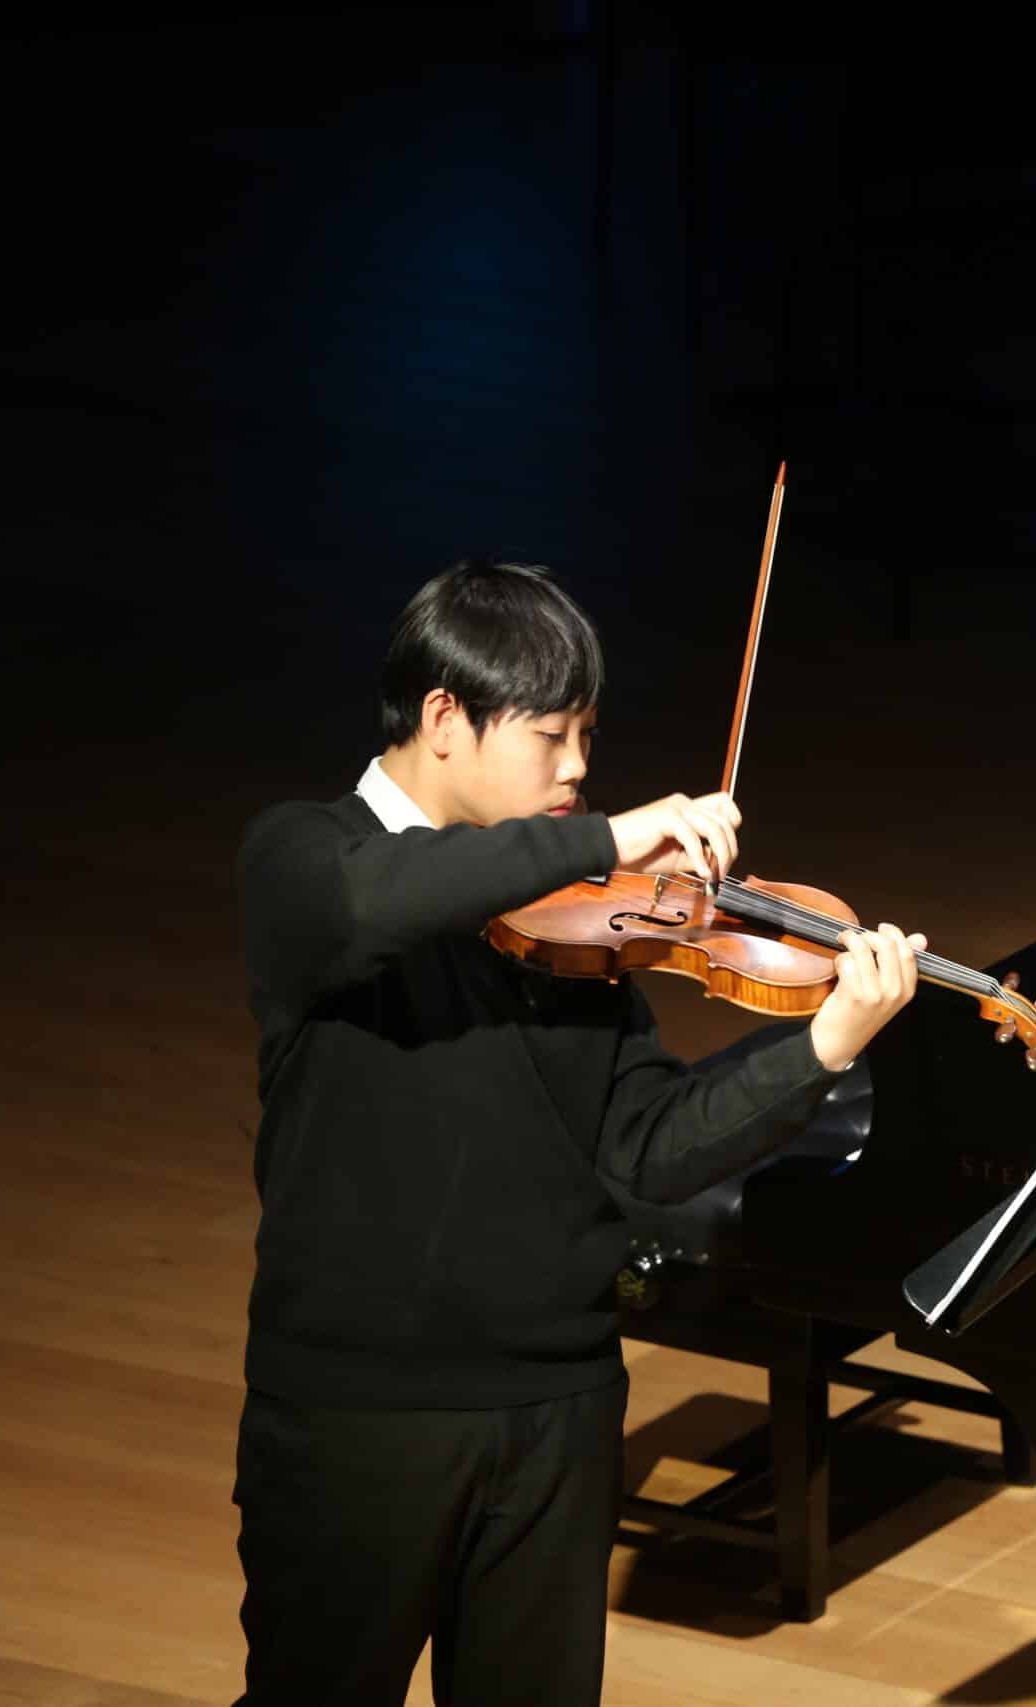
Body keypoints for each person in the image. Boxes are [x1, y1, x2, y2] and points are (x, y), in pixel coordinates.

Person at [229, 558, 925, 1705]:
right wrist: (605, 837)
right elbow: (374, 902)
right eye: (551, 737)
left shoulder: (572, 932)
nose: (578, 770)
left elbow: (647, 1147)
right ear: (443, 718)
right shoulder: (303, 859)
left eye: (588, 737)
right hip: (359, 1419)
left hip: (560, 1406)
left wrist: (822, 1046)